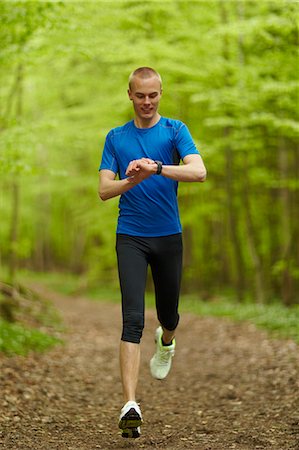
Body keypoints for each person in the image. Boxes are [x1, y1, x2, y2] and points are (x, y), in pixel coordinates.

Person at [98, 67, 206, 439]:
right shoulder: (115, 137)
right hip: (130, 236)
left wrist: (156, 167)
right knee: (131, 319)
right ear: (129, 94)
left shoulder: (175, 130)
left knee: (168, 314)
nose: (147, 102)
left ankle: (168, 341)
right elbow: (103, 190)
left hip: (168, 236)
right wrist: (134, 177)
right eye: (140, 95)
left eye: (153, 95)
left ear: (161, 93)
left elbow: (199, 172)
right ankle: (130, 404)